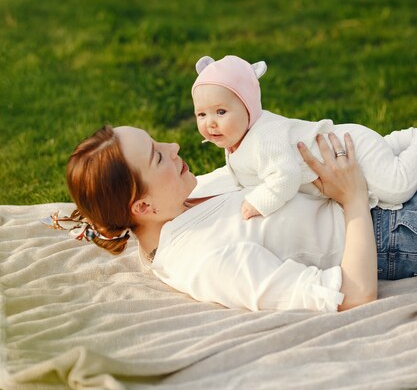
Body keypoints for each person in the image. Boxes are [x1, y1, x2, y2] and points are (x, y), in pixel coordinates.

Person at [63, 124, 417, 313]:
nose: (174, 148)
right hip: (394, 228)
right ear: (142, 207)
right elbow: (354, 296)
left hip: (381, 185)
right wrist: (352, 197)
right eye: (158, 157)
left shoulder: (186, 198)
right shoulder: (207, 261)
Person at [191, 55, 417, 219]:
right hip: (345, 153)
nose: (210, 122)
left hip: (354, 148)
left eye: (221, 112)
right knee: (385, 159)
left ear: (248, 108)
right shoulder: (237, 138)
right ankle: (396, 142)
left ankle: (412, 139)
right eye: (202, 114)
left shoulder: (264, 138)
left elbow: (285, 176)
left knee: (397, 189)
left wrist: (259, 202)